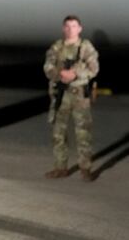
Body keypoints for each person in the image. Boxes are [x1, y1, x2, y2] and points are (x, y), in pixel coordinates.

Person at [43, 15, 99, 182]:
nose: (70, 29)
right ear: (63, 28)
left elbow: (94, 68)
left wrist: (75, 73)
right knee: (58, 133)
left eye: (74, 26)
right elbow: (48, 67)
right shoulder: (57, 47)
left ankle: (85, 169)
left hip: (79, 95)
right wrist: (60, 74)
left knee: (83, 134)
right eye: (67, 26)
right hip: (61, 95)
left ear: (79, 29)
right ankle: (60, 168)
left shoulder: (85, 47)